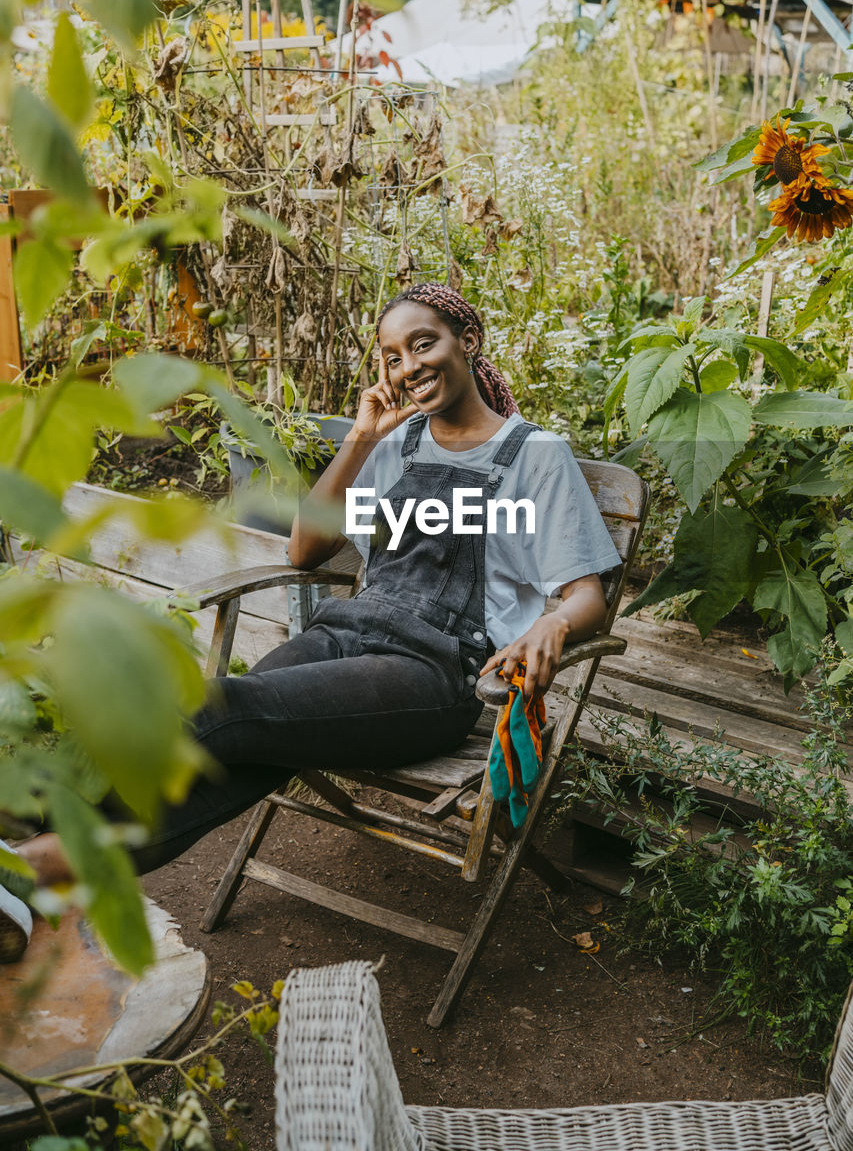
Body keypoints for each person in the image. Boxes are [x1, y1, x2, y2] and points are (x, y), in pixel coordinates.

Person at [1, 282, 620, 956]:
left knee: (221, 712)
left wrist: (551, 625)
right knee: (234, 762)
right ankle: (35, 870)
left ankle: (33, 838)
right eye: (390, 356)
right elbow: (305, 548)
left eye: (423, 343)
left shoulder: (536, 454)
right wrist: (359, 439)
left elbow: (587, 593)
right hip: (345, 635)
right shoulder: (398, 442)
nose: (407, 366)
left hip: (434, 672)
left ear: (467, 342)